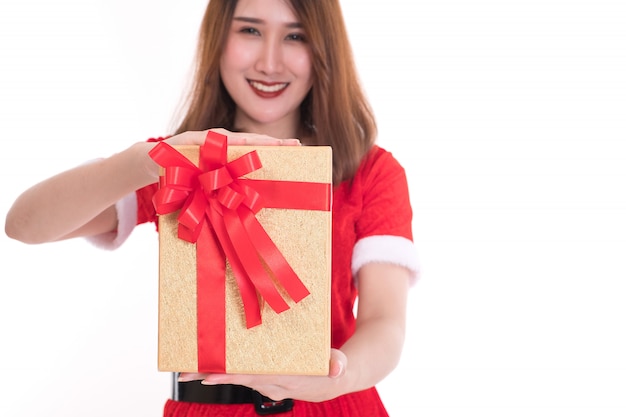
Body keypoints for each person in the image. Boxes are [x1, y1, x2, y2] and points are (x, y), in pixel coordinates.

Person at [5, 0, 419, 415]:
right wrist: (142, 162)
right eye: (250, 30)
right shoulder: (179, 161)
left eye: (296, 36)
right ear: (218, 39)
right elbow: (23, 225)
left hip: (337, 406)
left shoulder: (370, 173)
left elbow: (385, 322)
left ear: (324, 51)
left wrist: (338, 376)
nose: (270, 62)